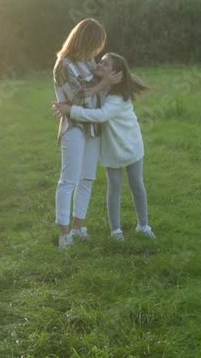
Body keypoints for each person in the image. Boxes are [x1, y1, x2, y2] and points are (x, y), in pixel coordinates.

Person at [53, 52, 154, 242]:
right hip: (110, 149)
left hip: (130, 146)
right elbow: (85, 93)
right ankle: (116, 230)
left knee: (137, 185)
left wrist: (71, 110)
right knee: (114, 188)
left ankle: (144, 225)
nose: (98, 65)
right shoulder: (103, 88)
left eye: (105, 64)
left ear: (115, 73)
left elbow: (100, 116)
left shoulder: (118, 97)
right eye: (100, 61)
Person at [53, 19, 122, 249]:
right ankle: (64, 236)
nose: (97, 50)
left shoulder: (88, 61)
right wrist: (104, 82)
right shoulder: (63, 65)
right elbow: (78, 97)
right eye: (95, 43)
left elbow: (100, 85)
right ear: (85, 40)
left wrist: (106, 82)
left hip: (93, 125)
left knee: (88, 178)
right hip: (74, 126)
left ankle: (79, 227)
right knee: (68, 180)